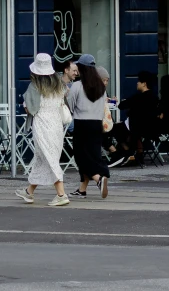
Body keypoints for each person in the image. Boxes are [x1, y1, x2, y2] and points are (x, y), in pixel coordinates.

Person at [21, 55, 70, 206]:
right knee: (43, 157)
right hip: (56, 124)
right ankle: (29, 192)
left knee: (49, 158)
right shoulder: (59, 84)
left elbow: (31, 109)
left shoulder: (34, 86)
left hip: (42, 124)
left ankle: (61, 194)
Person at [67, 55, 113, 199]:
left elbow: (70, 105)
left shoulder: (77, 86)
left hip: (82, 124)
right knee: (93, 155)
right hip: (96, 124)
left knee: (81, 157)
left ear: (81, 68)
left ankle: (99, 178)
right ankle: (82, 190)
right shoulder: (101, 86)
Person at [125, 71, 163, 163]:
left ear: (144, 84)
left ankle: (127, 153)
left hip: (138, 128)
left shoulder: (137, 98)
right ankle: (138, 154)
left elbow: (121, 106)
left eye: (139, 81)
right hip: (151, 129)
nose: (137, 83)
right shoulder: (155, 98)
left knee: (117, 130)